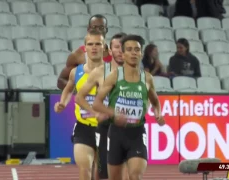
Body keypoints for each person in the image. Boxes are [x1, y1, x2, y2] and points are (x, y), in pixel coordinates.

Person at [92, 35, 166, 180]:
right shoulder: (114, 76)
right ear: (123, 54)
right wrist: (114, 114)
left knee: (135, 175)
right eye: (129, 50)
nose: (133, 53)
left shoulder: (147, 78)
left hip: (137, 134)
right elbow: (97, 103)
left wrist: (158, 114)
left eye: (137, 50)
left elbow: (155, 102)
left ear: (141, 54)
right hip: (116, 134)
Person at [75, 32, 130, 180]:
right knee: (101, 173)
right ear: (110, 50)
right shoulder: (101, 73)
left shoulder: (136, 74)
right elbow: (79, 97)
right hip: (103, 128)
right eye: (116, 47)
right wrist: (97, 112)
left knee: (125, 173)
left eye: (122, 47)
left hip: (123, 129)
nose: (119, 51)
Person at [54, 30, 106, 180]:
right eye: (90, 44)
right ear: (85, 47)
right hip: (84, 127)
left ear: (104, 47)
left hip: (106, 129)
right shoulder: (76, 72)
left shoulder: (112, 72)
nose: (94, 47)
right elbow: (68, 89)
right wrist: (62, 103)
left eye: (98, 44)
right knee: (85, 169)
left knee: (101, 174)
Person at [57, 14, 111, 90]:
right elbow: (61, 81)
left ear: (106, 30)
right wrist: (81, 89)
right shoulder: (78, 54)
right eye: (94, 27)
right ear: (88, 29)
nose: (98, 30)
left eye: (101, 27)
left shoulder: (115, 54)